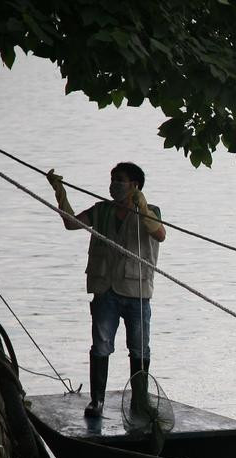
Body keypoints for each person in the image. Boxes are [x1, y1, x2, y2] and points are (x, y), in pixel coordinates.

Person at [46, 163, 166, 418]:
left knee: (139, 348)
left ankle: (140, 399)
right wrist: (60, 191)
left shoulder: (151, 212)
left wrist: (142, 207)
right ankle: (97, 401)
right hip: (105, 290)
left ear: (134, 185)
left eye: (119, 180)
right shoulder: (102, 210)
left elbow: (159, 234)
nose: (113, 184)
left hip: (137, 292)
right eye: (112, 179)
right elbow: (71, 223)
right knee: (100, 345)